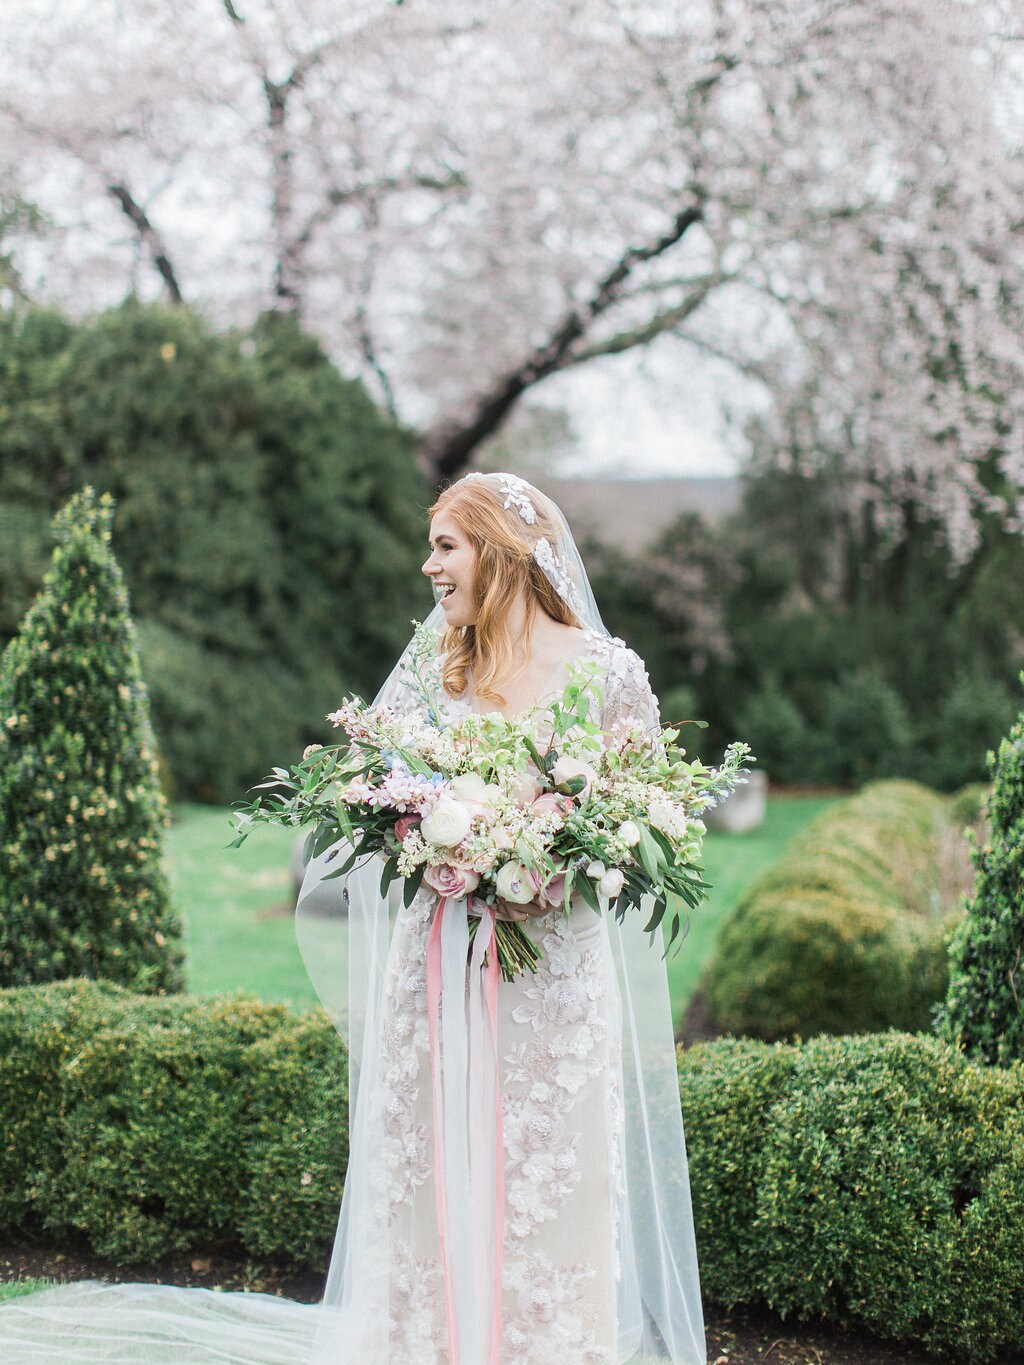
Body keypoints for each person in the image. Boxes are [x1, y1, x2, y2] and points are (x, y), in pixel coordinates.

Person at [0, 472, 706, 1364]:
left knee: (556, 1172)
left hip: (556, 980)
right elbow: (374, 798)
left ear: (502, 549)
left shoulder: (607, 671)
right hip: (439, 958)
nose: (430, 566)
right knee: (428, 1167)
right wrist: (443, 846)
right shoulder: (434, 666)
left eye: (446, 545)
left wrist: (558, 865)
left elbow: (649, 821)